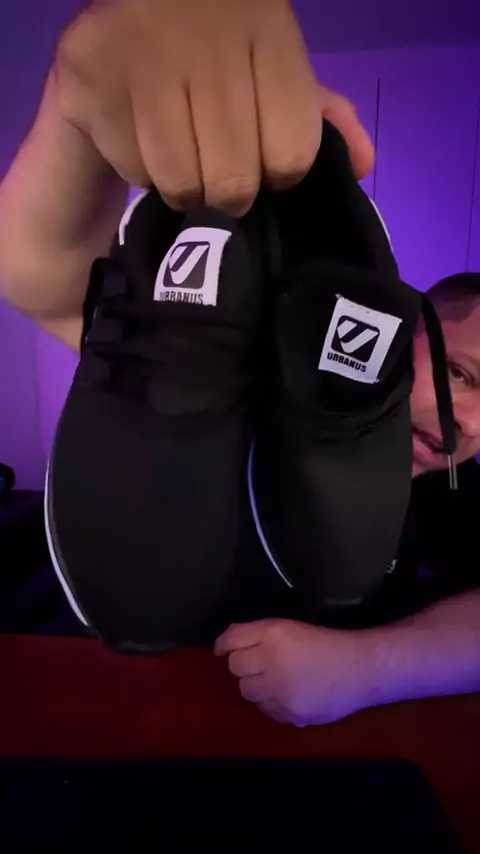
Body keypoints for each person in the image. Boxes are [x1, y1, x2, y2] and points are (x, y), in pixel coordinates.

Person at [0, 0, 478, 727]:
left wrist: (367, 668)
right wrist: (74, 101)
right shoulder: (212, 367)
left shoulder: (454, 491)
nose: (466, 422)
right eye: (462, 375)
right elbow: (38, 274)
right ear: (407, 330)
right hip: (90, 701)